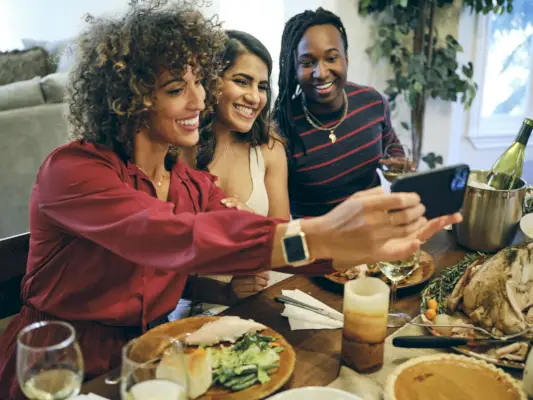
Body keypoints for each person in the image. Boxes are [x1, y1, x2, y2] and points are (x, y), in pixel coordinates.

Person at [0, 2, 460, 398]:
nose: (199, 100)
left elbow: (255, 240)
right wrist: (321, 229)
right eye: (176, 89)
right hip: (61, 359)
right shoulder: (74, 171)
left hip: (152, 354)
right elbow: (173, 234)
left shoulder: (190, 185)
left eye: (198, 82)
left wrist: (365, 247)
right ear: (129, 100)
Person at [178, 30, 291, 310]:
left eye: (262, 86)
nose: (255, 97)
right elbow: (159, 271)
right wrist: (225, 292)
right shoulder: (177, 150)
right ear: (210, 81)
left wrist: (254, 225)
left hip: (261, 297)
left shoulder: (270, 149)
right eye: (242, 82)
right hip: (198, 304)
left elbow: (286, 248)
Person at [274, 7, 402, 218]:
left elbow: (393, 149)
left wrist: (398, 166)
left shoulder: (373, 103)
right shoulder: (281, 128)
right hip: (318, 245)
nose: (321, 73)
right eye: (307, 63)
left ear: (346, 59)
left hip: (375, 232)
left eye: (331, 58)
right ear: (293, 69)